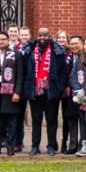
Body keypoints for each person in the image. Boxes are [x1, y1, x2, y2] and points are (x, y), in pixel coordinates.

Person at [23, 28, 68, 156]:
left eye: (45, 35)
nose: (42, 37)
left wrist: (59, 88)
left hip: (51, 91)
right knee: (36, 120)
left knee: (51, 120)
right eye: (40, 35)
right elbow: (25, 69)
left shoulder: (57, 50)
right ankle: (35, 146)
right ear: (36, 36)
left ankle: (51, 145)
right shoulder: (29, 50)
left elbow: (63, 71)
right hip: (34, 90)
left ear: (49, 36)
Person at [0, 31, 25, 155]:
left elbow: (20, 75)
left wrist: (17, 92)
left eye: (3, 39)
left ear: (8, 40)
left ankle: (10, 146)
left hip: (11, 92)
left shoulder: (17, 55)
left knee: (12, 121)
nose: (1, 41)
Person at [61, 35, 83, 154]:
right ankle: (73, 145)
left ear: (82, 44)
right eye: (72, 44)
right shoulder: (67, 57)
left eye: (77, 43)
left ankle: (82, 144)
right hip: (70, 91)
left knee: (83, 119)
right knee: (71, 118)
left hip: (84, 91)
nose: (74, 46)